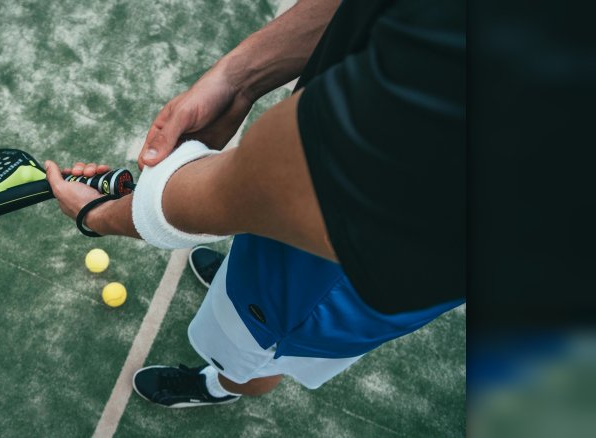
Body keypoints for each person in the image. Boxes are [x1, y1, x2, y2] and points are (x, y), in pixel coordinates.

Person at [44, 0, 466, 408]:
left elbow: (271, 188)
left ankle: (221, 384)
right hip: (320, 212)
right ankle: (237, 280)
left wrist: (98, 215)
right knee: (251, 264)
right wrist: (236, 79)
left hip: (333, 280)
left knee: (255, 353)